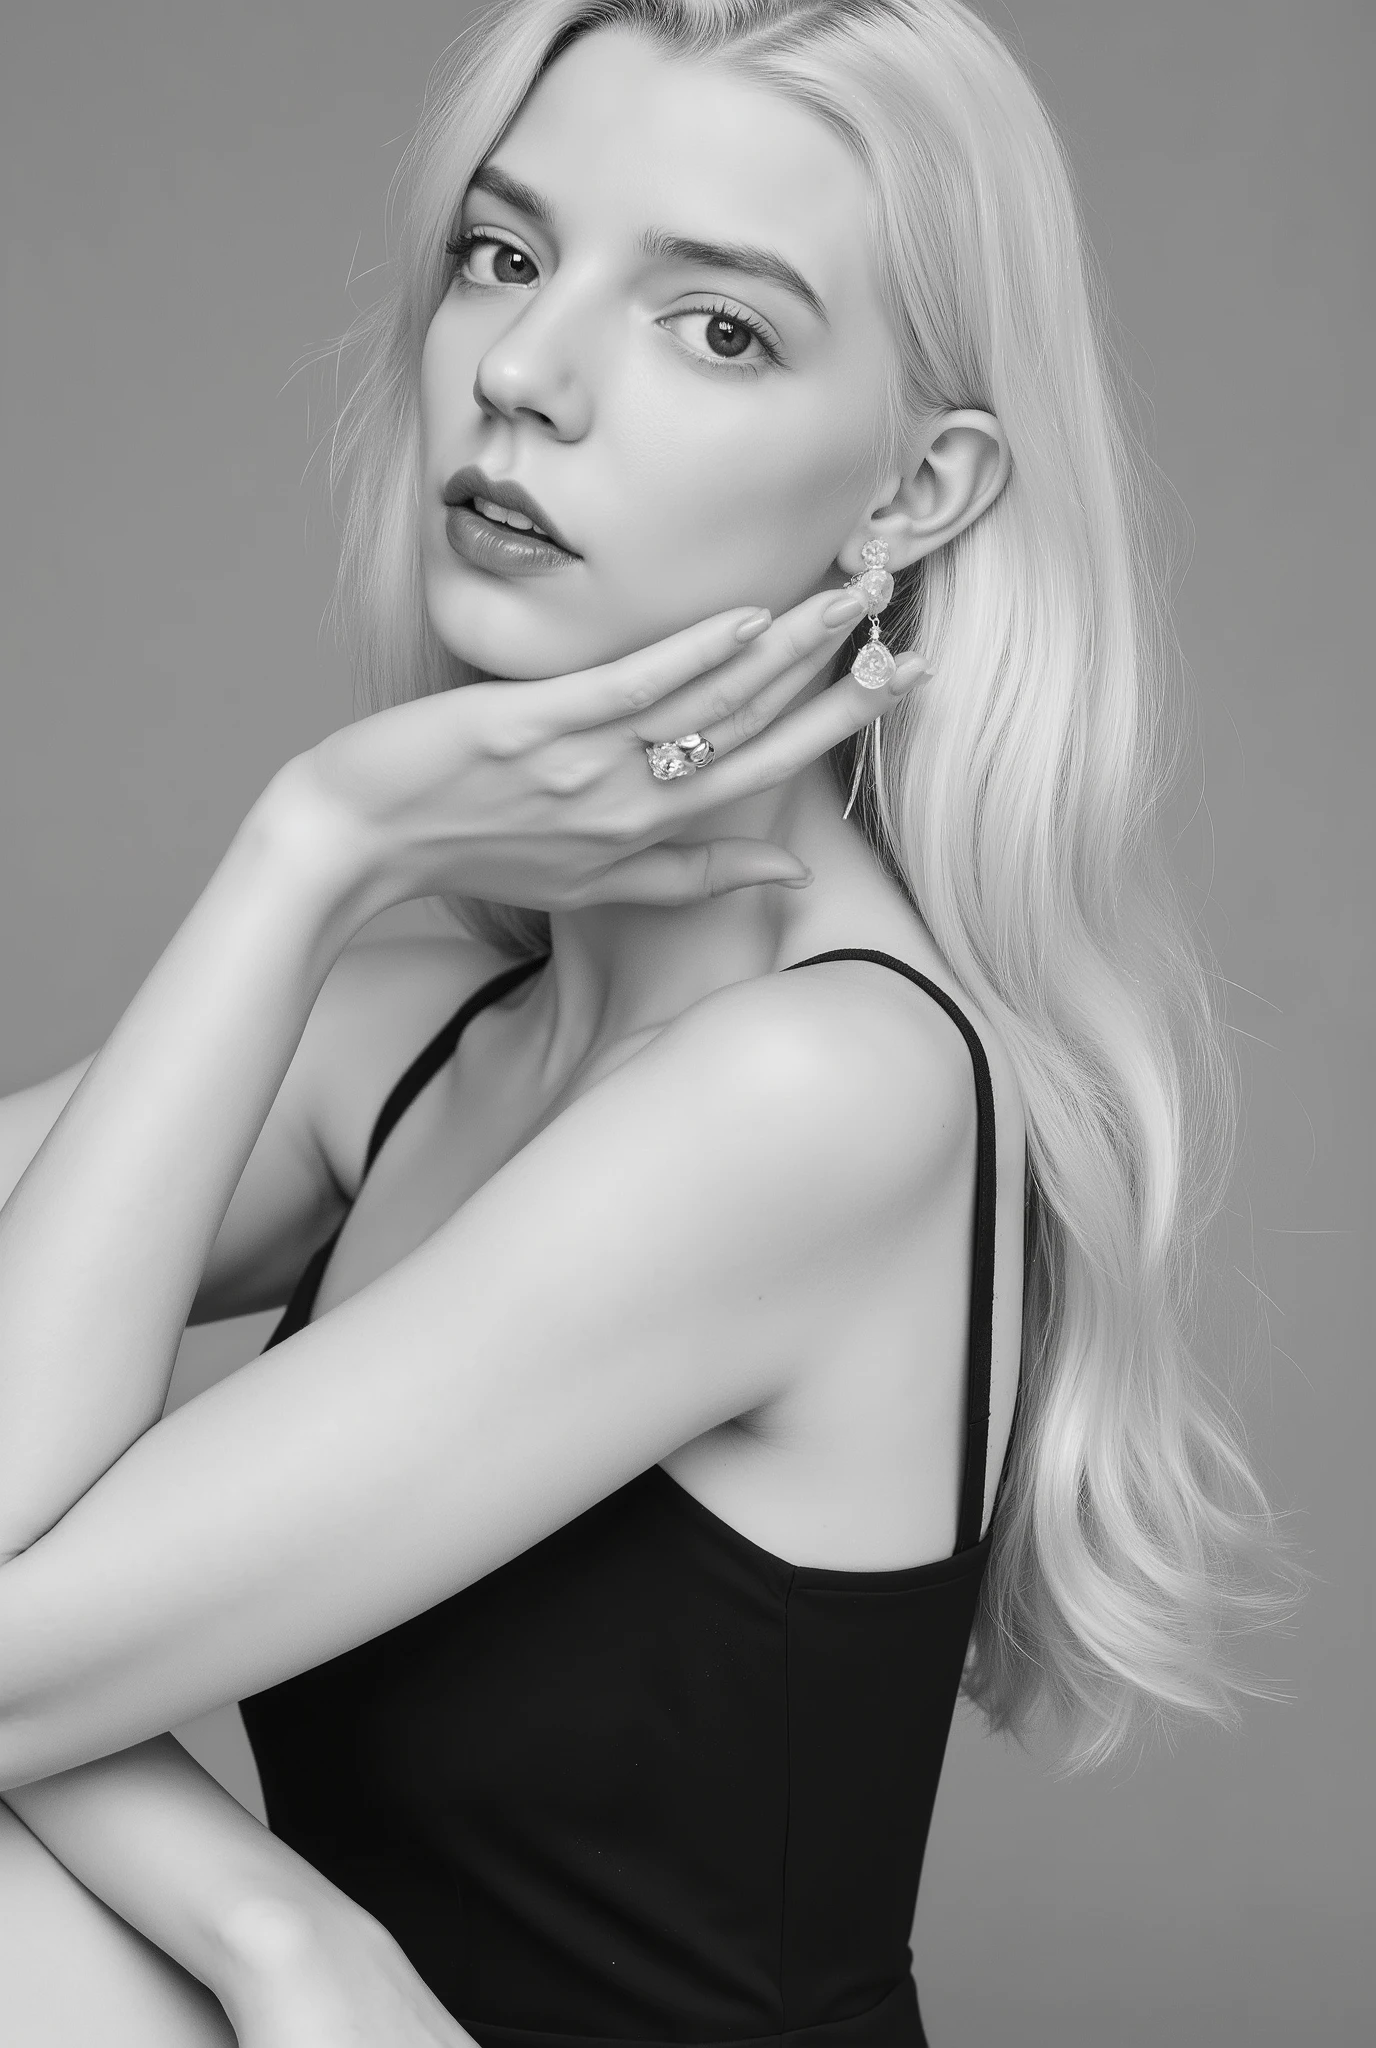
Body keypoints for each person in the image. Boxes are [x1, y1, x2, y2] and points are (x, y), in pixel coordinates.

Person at [0, 3, 1293, 2044]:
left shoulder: (825, 1096)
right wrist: (272, 1924)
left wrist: (320, 835)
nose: (521, 371)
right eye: (506, 257)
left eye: (718, 327)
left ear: (915, 493)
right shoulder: (414, 1020)